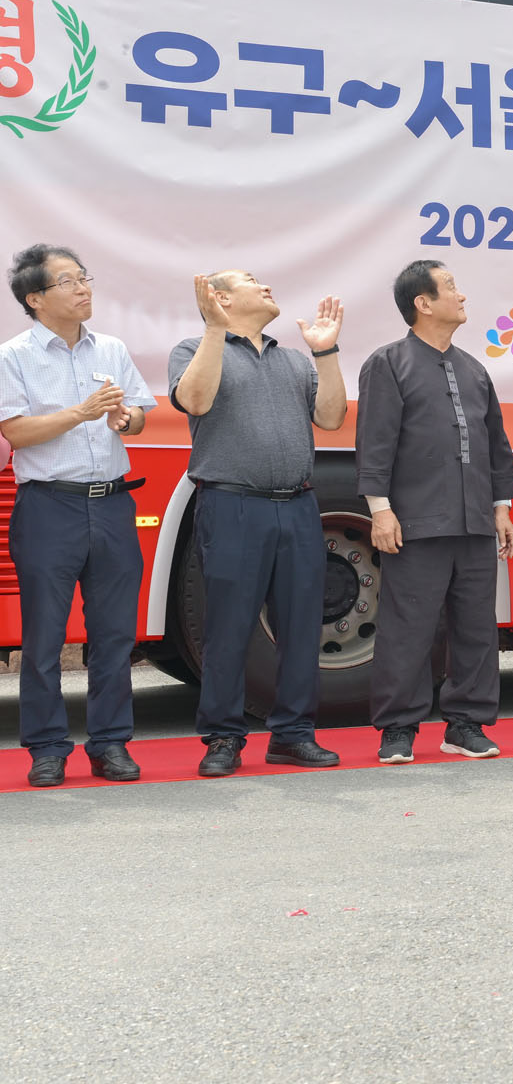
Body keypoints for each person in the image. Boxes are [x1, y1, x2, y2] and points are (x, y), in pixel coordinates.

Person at [168, 269, 347, 777]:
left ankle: (293, 734)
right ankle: (223, 736)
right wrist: (213, 329)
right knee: (228, 628)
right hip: (233, 505)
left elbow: (331, 418)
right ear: (222, 298)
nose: (265, 286)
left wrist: (326, 353)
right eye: (250, 280)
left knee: (301, 626)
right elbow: (195, 401)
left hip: (298, 505)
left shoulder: (293, 359)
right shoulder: (192, 349)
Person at [0, 245, 155, 788]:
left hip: (112, 503)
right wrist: (79, 413)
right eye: (67, 281)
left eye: (84, 277)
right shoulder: (13, 356)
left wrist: (125, 419)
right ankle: (46, 748)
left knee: (114, 635)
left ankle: (111, 744)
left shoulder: (110, 348)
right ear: (35, 298)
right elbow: (16, 432)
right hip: (49, 506)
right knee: (44, 637)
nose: (83, 288)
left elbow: (139, 416)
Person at [356, 260, 513, 764]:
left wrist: (501, 508)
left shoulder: (474, 369)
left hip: (474, 522)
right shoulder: (388, 363)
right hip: (415, 523)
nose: (461, 295)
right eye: (451, 287)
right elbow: (375, 443)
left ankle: (466, 724)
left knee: (477, 627)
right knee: (408, 627)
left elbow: (496, 445)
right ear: (423, 303)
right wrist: (380, 511)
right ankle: (398, 727)